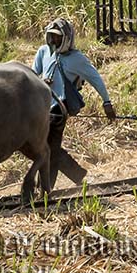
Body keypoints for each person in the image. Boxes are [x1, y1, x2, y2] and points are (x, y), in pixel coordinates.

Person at [32, 17, 116, 189]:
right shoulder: (43, 52)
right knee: (47, 148)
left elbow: (95, 79)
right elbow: (32, 75)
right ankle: (75, 176)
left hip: (60, 108)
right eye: (52, 36)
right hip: (42, 107)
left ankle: (45, 189)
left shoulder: (77, 59)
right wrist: (41, 82)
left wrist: (107, 102)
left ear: (67, 38)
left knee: (49, 148)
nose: (54, 40)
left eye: (58, 37)